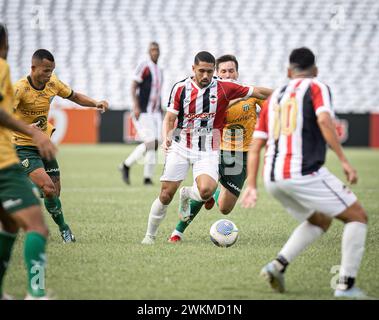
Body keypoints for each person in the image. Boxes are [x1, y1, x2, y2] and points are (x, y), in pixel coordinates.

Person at [240, 47, 368, 298]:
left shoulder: (275, 96)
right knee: (357, 216)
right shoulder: (317, 87)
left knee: (320, 220)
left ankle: (277, 266)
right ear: (315, 70)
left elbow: (256, 146)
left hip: (273, 178)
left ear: (289, 71)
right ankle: (346, 286)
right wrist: (344, 160)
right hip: (302, 173)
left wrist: (252, 186)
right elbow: (324, 121)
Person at [141, 51, 272, 245]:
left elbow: (259, 92)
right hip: (181, 146)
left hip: (208, 149)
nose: (205, 76)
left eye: (209, 72)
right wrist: (166, 137)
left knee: (206, 192)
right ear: (193, 69)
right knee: (166, 194)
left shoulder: (225, 87)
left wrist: (286, 94)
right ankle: (149, 236)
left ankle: (187, 194)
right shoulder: (180, 88)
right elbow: (170, 117)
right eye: (201, 71)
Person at [13, 49, 109, 243]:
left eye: (51, 70)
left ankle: (29, 189)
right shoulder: (20, 89)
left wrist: (95, 103)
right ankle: (64, 229)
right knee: (48, 188)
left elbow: (73, 96)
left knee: (55, 192)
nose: (49, 75)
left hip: (44, 143)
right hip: (23, 146)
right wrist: (25, 128)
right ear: (33, 68)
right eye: (45, 70)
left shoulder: (53, 83)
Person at [0, 23, 57, 299]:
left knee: (10, 225)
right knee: (36, 226)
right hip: (4, 159)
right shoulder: (2, 69)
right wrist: (34, 132)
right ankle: (36, 293)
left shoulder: (50, 85)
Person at [120, 42, 163, 185]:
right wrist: (136, 105)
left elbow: (157, 91)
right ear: (148, 52)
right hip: (144, 110)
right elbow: (133, 85)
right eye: (152, 50)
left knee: (156, 144)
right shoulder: (144, 66)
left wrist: (161, 108)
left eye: (156, 50)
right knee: (151, 142)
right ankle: (126, 165)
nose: (155, 52)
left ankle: (147, 178)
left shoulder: (159, 70)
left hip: (155, 111)